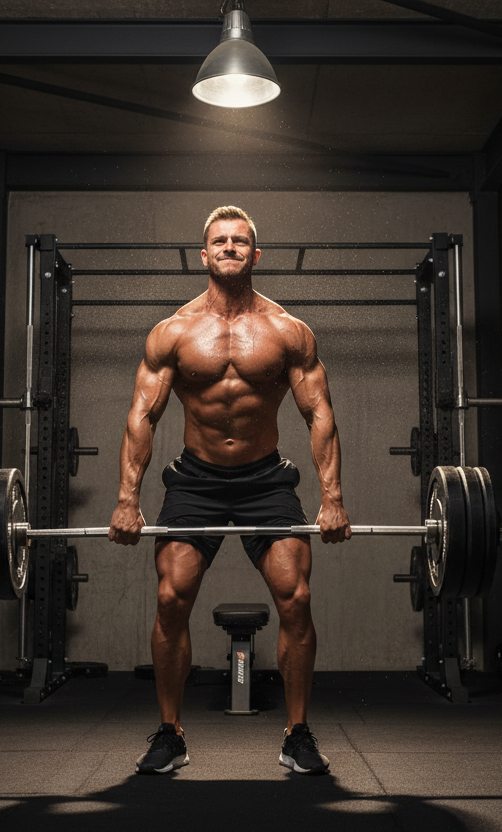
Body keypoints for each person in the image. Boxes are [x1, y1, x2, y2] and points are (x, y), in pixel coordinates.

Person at [109, 206, 351, 776]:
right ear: (204, 254)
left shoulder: (288, 331)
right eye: (220, 240)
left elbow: (320, 413)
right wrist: (127, 498)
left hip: (266, 478)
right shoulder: (173, 332)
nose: (230, 247)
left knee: (296, 598)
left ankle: (297, 732)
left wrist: (332, 496)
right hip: (196, 480)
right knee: (171, 597)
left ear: (255, 255)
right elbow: (141, 416)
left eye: (240, 241)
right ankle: (170, 733)